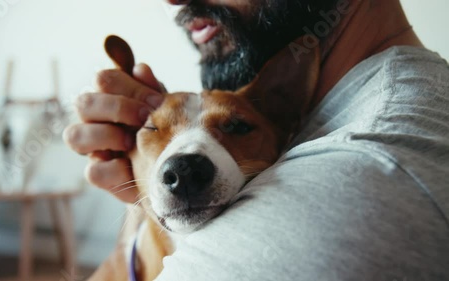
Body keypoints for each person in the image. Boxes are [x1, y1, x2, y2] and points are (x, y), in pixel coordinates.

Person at [64, 0, 449, 279]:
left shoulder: (358, 179)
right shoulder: (324, 118)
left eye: (234, 126)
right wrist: (142, 201)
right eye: (153, 130)